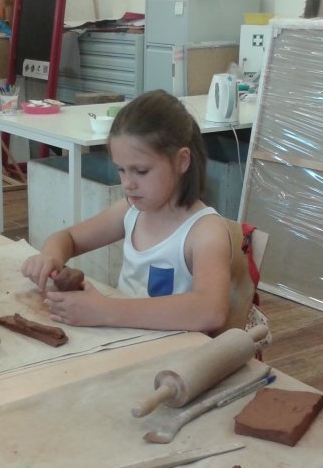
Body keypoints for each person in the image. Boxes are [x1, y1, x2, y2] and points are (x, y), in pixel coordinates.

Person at [21, 90, 233, 333]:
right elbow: (67, 238)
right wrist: (51, 256)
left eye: (141, 171)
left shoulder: (205, 231)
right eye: (121, 170)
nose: (128, 184)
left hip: (175, 351)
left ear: (182, 161)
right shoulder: (132, 212)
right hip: (125, 338)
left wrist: (105, 311)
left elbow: (211, 311)